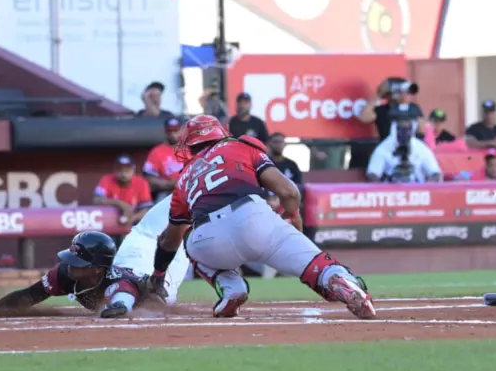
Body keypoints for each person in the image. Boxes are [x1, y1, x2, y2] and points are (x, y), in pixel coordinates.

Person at [147, 115, 376, 319]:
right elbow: (289, 191)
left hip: (208, 238)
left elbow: (171, 239)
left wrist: (158, 274)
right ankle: (335, 279)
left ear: (190, 142)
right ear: (221, 133)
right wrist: (293, 216)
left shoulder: (184, 177)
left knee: (190, 241)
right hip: (254, 218)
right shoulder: (242, 146)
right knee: (318, 265)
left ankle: (230, 287)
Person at [0, 232, 153, 320]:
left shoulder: (118, 282)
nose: (69, 266)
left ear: (97, 268)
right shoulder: (65, 274)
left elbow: (122, 303)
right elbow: (30, 295)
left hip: (146, 280)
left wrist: (117, 308)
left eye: (79, 263)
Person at [111, 193, 190, 304]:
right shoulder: (192, 185)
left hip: (181, 245)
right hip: (147, 239)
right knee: (135, 282)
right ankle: (121, 302)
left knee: (165, 298)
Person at [366, 118, 442, 183]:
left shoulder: (422, 148)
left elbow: (435, 173)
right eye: (401, 129)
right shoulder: (383, 147)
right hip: (392, 190)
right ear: (395, 130)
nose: (404, 133)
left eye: (407, 130)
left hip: (417, 190)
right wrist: (382, 188)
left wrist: (428, 187)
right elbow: (372, 173)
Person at [356, 78, 425, 141]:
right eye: (399, 91)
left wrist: (404, 103)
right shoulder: (381, 109)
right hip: (387, 149)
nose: (404, 94)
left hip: (408, 147)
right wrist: (379, 95)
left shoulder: (413, 108)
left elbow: (422, 130)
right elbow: (364, 118)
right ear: (389, 94)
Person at [93, 155, 154, 227]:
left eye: (127, 170)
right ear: (115, 170)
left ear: (133, 170)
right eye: (120, 170)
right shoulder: (107, 179)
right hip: (110, 222)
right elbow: (96, 200)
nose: (123, 173)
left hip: (134, 223)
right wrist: (121, 204)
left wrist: (132, 218)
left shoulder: (141, 182)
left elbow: (146, 209)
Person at [143, 117, 184, 201]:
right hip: (167, 193)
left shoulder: (190, 148)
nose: (173, 134)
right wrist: (169, 184)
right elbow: (149, 178)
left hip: (189, 190)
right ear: (165, 131)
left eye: (176, 130)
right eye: (170, 131)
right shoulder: (157, 151)